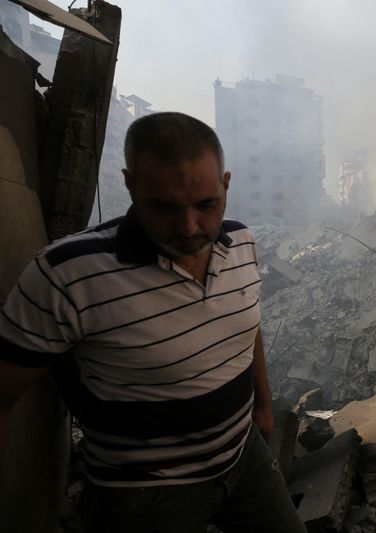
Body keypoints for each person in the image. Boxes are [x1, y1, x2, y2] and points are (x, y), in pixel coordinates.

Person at [0, 112, 306, 532]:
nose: (189, 227)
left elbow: (246, 325)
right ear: (130, 185)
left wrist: (265, 406)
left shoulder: (242, 242)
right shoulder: (67, 274)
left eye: (206, 204)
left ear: (226, 184)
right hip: (142, 494)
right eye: (164, 207)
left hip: (244, 456)